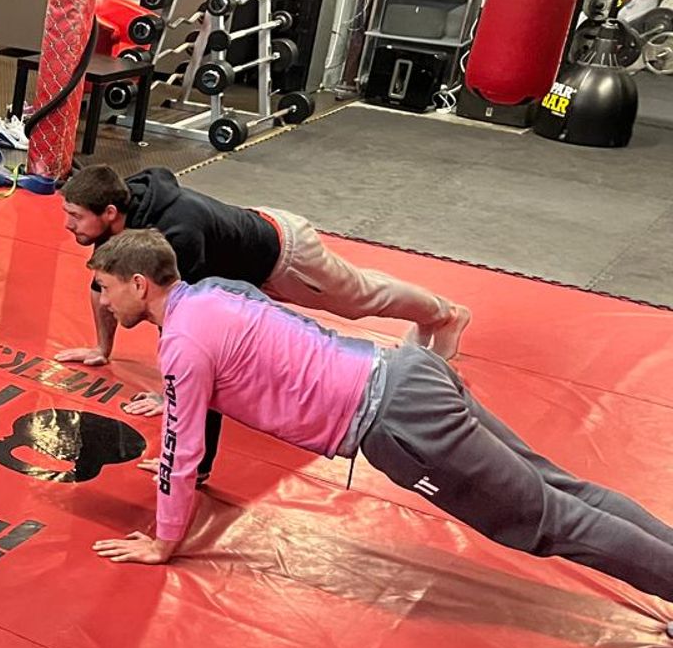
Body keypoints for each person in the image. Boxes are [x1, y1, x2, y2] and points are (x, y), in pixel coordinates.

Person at [85, 229, 673, 623]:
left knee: (544, 519)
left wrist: (165, 540)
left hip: (398, 420)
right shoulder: (212, 293)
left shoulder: (182, 345)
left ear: (140, 284)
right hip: (405, 368)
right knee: (559, 487)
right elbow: (253, 350)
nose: (104, 303)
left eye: (107, 289)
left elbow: (180, 454)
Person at [55, 164, 471, 373]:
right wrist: (101, 350)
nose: (68, 224)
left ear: (109, 212)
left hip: (283, 256)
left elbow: (183, 318)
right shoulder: (120, 214)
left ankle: (446, 315)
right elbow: (100, 287)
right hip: (242, 248)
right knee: (361, 292)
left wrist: (173, 395)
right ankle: (434, 314)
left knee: (359, 299)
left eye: (74, 215)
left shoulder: (177, 232)